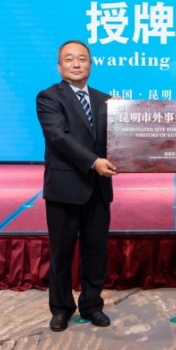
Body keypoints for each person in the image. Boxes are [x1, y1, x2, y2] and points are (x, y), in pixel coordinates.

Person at [36, 40, 118, 332]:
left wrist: (128, 119)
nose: (76, 64)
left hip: (98, 189)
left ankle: (92, 305)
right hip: (64, 188)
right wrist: (94, 162)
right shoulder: (48, 97)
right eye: (69, 59)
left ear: (90, 65)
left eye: (82, 59)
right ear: (60, 66)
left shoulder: (105, 100)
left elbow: (118, 138)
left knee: (95, 252)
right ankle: (60, 308)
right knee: (61, 253)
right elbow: (59, 137)